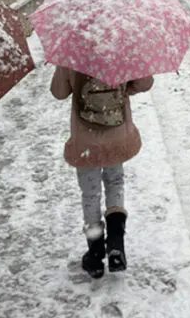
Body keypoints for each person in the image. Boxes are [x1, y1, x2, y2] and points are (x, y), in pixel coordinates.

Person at [51, 67, 154, 279]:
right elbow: (145, 83)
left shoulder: (71, 55)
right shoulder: (120, 51)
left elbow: (58, 92)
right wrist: (124, 88)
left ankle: (95, 255)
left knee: (90, 195)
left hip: (86, 139)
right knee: (115, 183)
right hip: (116, 136)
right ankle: (116, 244)